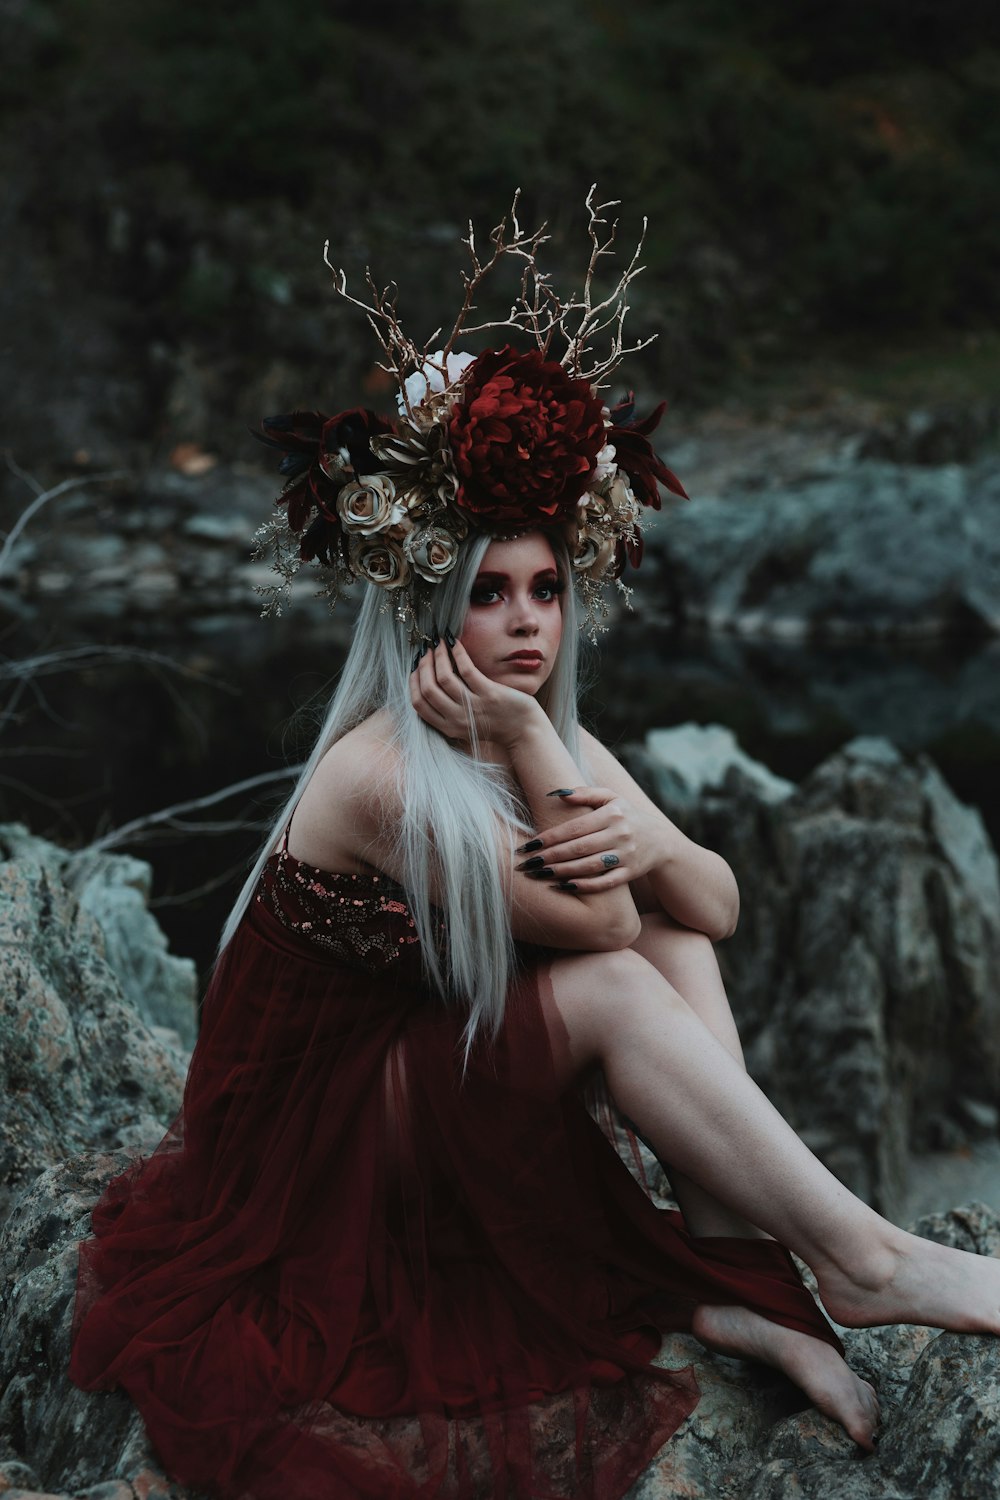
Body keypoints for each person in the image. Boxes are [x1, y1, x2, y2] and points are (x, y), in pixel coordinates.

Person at [70, 207, 1000, 1500]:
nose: (524, 626)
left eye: (546, 591)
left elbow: (711, 908)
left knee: (666, 915)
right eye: (489, 595)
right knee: (619, 962)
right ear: (432, 614)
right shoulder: (381, 773)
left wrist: (642, 820)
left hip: (416, 1088)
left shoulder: (540, 734)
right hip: (313, 1151)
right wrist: (526, 745)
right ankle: (866, 1262)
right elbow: (605, 940)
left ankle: (731, 1255)